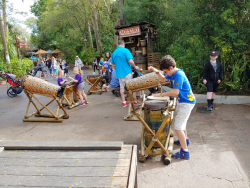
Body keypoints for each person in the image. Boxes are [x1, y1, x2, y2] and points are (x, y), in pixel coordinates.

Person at [148, 55, 196, 160]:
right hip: (182, 101)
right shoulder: (173, 73)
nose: (165, 73)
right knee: (181, 123)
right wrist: (155, 70)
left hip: (187, 103)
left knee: (178, 127)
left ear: (170, 68)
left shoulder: (178, 75)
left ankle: (185, 152)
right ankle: (185, 140)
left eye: (165, 71)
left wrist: (158, 95)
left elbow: (175, 92)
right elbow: (163, 79)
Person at [111, 40, 140, 107]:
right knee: (132, 88)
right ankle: (134, 101)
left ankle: (124, 102)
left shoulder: (114, 53)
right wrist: (135, 66)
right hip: (127, 72)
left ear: (118, 45)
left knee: (122, 87)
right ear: (123, 44)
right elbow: (130, 61)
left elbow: (112, 64)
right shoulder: (125, 50)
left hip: (119, 74)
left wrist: (116, 70)